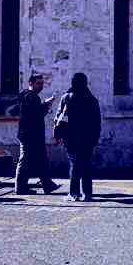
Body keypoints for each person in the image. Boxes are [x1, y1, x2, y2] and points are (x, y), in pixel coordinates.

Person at [54, 72, 102, 202]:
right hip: (88, 138)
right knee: (86, 164)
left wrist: (58, 134)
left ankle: (74, 193)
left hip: (71, 137)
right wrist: (95, 137)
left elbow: (59, 117)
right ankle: (87, 194)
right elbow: (97, 121)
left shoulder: (67, 98)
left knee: (74, 164)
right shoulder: (92, 99)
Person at [15, 72, 59, 195]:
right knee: (25, 161)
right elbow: (36, 114)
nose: (41, 86)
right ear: (31, 83)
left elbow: (34, 112)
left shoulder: (27, 95)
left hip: (32, 134)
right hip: (30, 135)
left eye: (42, 84)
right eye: (38, 83)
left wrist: (44, 104)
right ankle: (20, 187)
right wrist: (47, 104)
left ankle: (47, 184)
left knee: (41, 160)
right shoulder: (31, 96)